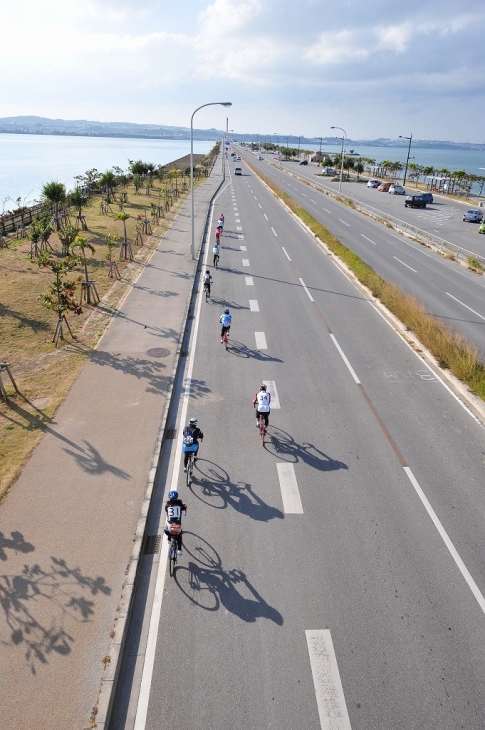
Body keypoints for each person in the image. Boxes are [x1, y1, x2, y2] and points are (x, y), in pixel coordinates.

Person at [164, 490, 187, 555]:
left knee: (167, 526)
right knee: (179, 537)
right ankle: (179, 550)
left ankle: (169, 539)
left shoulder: (167, 506)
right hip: (177, 529)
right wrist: (185, 507)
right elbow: (184, 507)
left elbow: (166, 510)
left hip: (168, 530)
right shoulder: (180, 505)